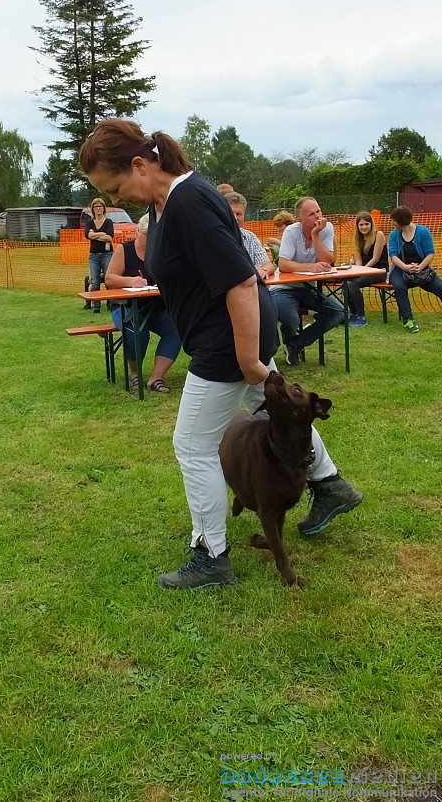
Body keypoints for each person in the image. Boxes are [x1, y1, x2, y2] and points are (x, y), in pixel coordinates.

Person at [79, 118, 362, 590]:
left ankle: (211, 556)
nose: (116, 199)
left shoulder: (189, 202)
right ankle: (330, 485)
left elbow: (241, 281)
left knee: (191, 446)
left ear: (138, 164)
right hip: (230, 338)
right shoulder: (172, 202)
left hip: (226, 346)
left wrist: (249, 361)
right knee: (272, 410)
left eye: (116, 186)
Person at [104, 214, 181, 393]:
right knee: (137, 330)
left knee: (177, 329)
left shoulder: (162, 251)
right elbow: (109, 279)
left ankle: (156, 378)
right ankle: (134, 374)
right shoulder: (125, 250)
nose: (150, 239)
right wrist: (130, 281)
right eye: (147, 235)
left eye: (154, 235)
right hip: (125, 306)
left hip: (156, 307)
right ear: (137, 231)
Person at [273, 197, 347, 365]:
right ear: (301, 219)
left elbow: (327, 260)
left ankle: (295, 343)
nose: (318, 216)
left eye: (319, 211)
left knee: (340, 312)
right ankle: (290, 335)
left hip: (310, 288)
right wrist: (309, 267)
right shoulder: (291, 232)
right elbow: (283, 264)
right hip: (284, 288)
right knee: (291, 318)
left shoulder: (326, 229)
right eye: (312, 214)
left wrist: (315, 235)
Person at [387, 206, 442, 333]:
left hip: (422, 269)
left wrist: (420, 267)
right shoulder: (394, 234)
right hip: (400, 269)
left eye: (394, 220)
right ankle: (408, 321)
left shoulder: (423, 232)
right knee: (399, 287)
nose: (392, 223)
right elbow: (393, 255)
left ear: (401, 220)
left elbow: (430, 254)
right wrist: (405, 267)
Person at [343, 211, 391, 328]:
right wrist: (356, 270)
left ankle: (361, 316)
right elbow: (358, 260)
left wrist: (361, 271)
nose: (364, 227)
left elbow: (375, 258)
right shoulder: (358, 238)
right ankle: (352, 313)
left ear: (371, 224)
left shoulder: (378, 235)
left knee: (352, 284)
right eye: (361, 225)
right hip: (364, 271)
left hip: (379, 271)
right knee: (346, 282)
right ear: (357, 226)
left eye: (366, 224)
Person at [224, 192, 274, 281]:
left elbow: (269, 265)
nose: (235, 218)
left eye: (239, 214)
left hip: (253, 288)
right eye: (231, 214)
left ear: (244, 216)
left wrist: (263, 271)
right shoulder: (214, 238)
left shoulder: (250, 237)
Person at [83, 198, 115, 314]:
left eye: (100, 206)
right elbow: (88, 235)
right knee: (95, 282)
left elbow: (110, 237)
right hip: (94, 256)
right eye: (95, 207)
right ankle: (95, 306)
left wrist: (95, 234)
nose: (98, 208)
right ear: (93, 209)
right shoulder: (89, 223)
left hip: (107, 254)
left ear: (103, 208)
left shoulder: (109, 222)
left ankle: (111, 304)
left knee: (108, 280)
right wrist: (103, 234)